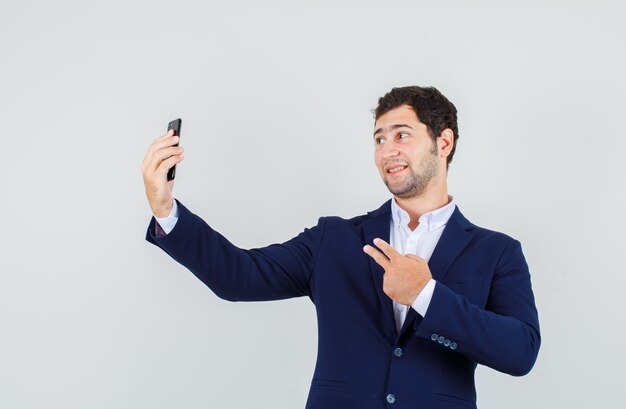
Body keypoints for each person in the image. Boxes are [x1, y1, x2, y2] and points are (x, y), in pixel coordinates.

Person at [141, 86, 540, 409]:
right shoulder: (333, 240)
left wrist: (426, 295)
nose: (387, 151)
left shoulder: (497, 252)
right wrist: (165, 209)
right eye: (379, 139)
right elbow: (237, 277)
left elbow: (520, 352)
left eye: (402, 135)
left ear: (444, 141)